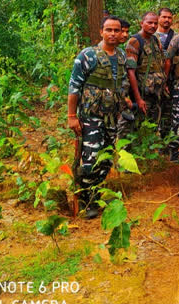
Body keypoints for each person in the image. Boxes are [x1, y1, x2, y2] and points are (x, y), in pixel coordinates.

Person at [67, 16, 130, 219]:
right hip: (90, 117)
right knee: (90, 158)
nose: (113, 33)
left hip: (112, 117)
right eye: (108, 30)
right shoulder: (88, 56)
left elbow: (120, 85)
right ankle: (86, 199)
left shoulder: (121, 57)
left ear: (121, 33)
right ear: (101, 32)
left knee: (106, 158)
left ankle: (96, 192)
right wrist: (71, 116)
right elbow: (74, 87)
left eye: (116, 30)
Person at [125, 12, 168, 132]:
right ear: (142, 23)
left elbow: (159, 64)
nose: (153, 26)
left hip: (155, 93)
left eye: (155, 23)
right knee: (139, 127)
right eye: (149, 23)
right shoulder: (135, 42)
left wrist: (164, 84)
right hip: (142, 94)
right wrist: (138, 98)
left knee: (153, 126)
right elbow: (130, 72)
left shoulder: (154, 39)